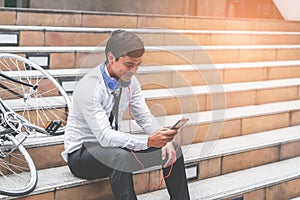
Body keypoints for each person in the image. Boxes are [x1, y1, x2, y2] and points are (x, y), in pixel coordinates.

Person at [61, 30, 190, 200]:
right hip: (82, 156)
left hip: (115, 148)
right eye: (129, 65)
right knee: (120, 157)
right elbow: (105, 137)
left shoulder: (130, 82)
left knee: (173, 149)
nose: (134, 71)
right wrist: (148, 141)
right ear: (111, 58)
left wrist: (163, 138)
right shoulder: (90, 87)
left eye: (138, 64)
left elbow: (144, 117)